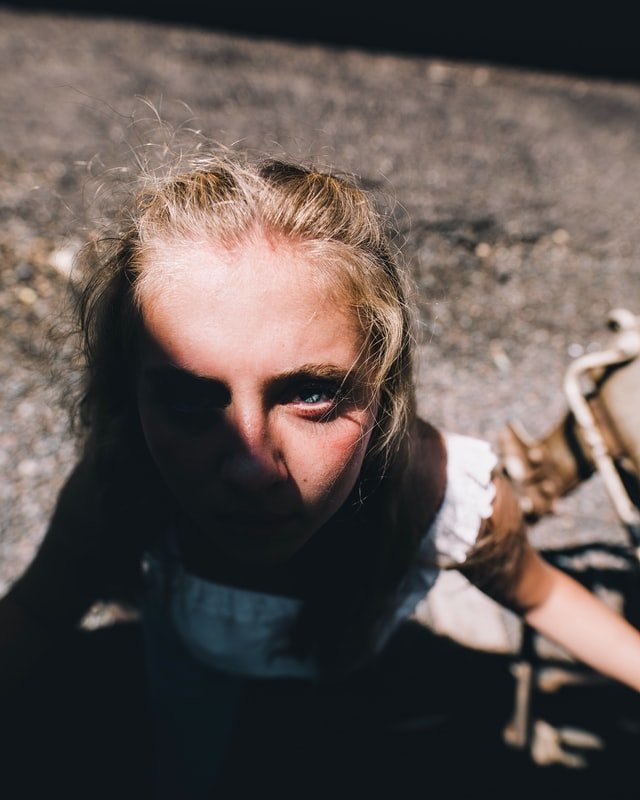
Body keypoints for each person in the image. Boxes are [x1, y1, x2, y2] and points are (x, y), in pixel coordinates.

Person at [1, 147, 640, 798]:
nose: (251, 468)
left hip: (342, 674)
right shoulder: (119, 482)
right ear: (129, 393)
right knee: (187, 750)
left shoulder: (440, 496)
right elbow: (37, 609)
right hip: (188, 663)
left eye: (312, 393)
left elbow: (543, 597)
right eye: (190, 397)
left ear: (383, 383)